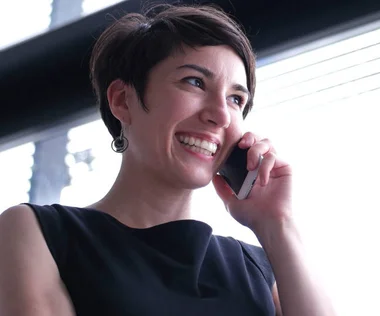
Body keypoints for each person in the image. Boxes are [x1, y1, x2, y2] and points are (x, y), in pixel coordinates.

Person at [0, 4, 335, 316]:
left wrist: (277, 223)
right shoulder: (38, 233)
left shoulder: (258, 268)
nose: (220, 114)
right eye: (194, 82)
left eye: (236, 99)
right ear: (122, 100)